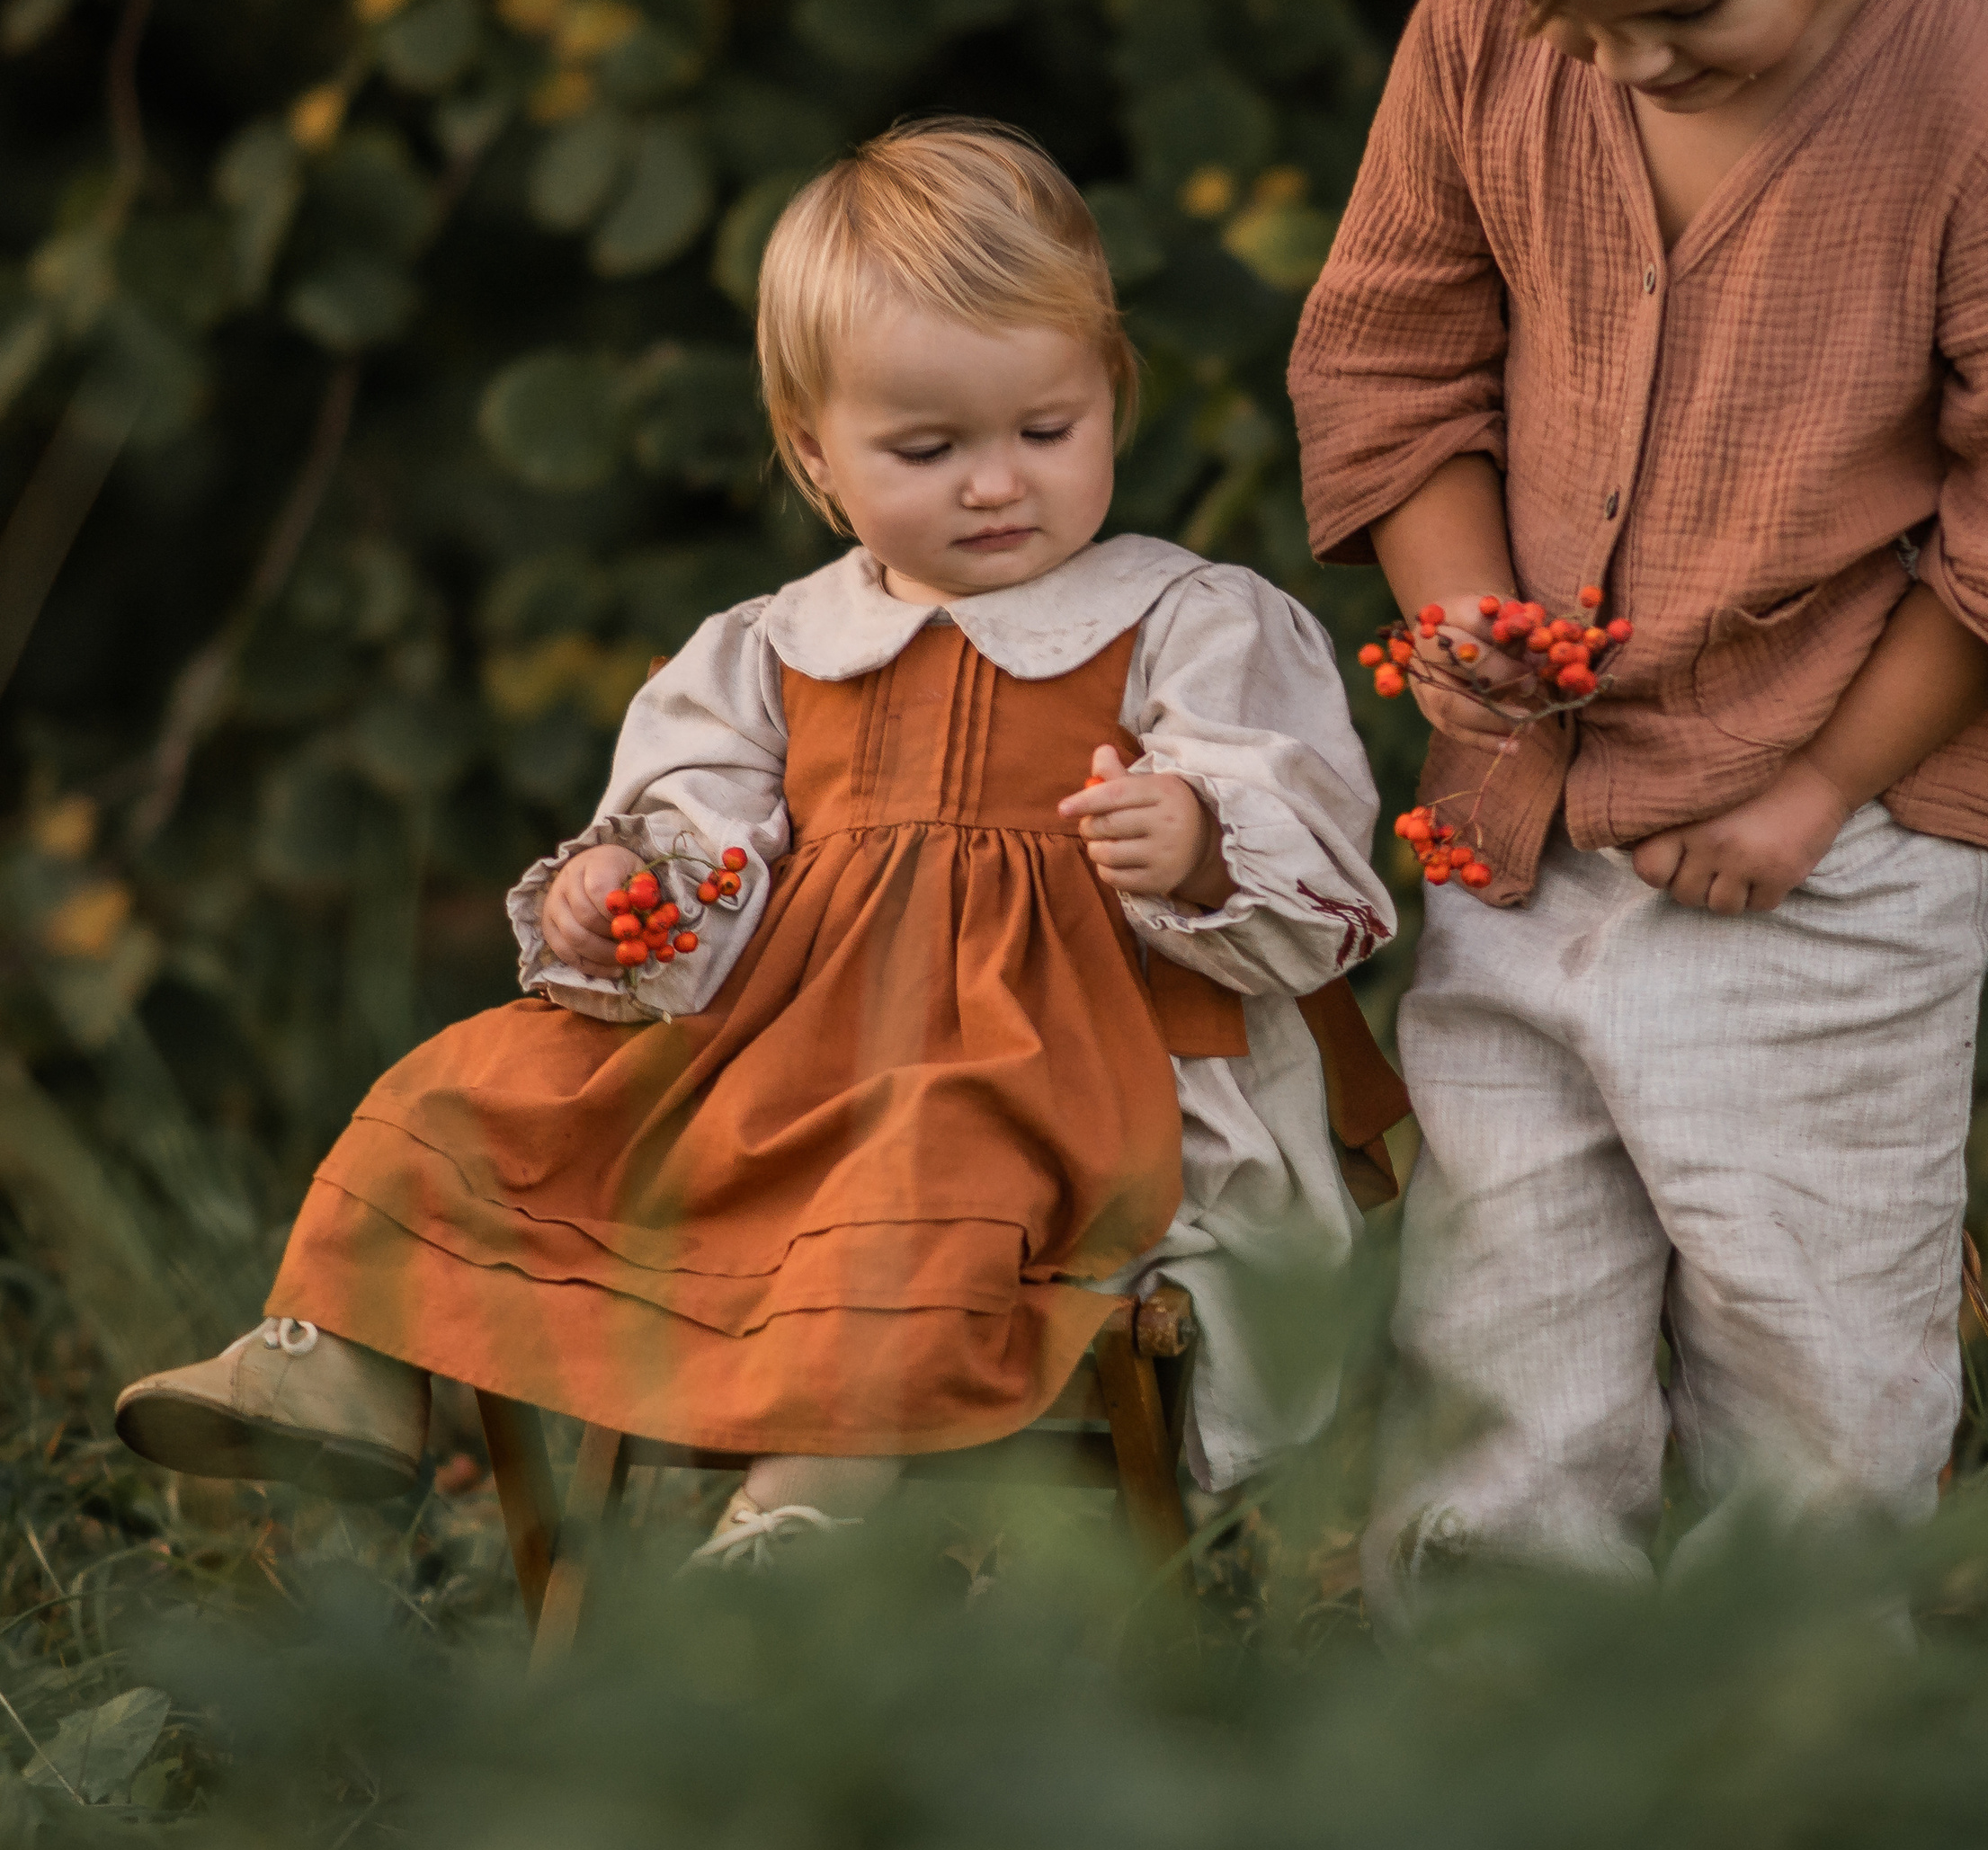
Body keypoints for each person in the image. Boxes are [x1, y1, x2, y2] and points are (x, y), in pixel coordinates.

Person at [118, 119, 1403, 1563]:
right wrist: (628, 891)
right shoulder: (775, 650)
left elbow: (1306, 851)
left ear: (1110, 390)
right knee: (468, 1078)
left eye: (1048, 430)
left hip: (1063, 1093)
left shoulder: (1189, 622)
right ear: (814, 452)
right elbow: (693, 831)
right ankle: (340, 1365)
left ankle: (808, 1510)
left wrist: (1202, 841)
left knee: (932, 1153)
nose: (997, 483)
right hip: (783, 1070)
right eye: (929, 448)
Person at [1286, 0, 1988, 1611]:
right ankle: (1495, 1759)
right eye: (1575, 29)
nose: (1625, 73)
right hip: (1527, 837)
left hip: (1825, 857)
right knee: (1500, 1346)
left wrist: (1809, 794)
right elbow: (1390, 346)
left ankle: (1788, 1769)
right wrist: (1462, 610)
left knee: (1811, 1361)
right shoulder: (1492, 44)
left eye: (1681, 16)